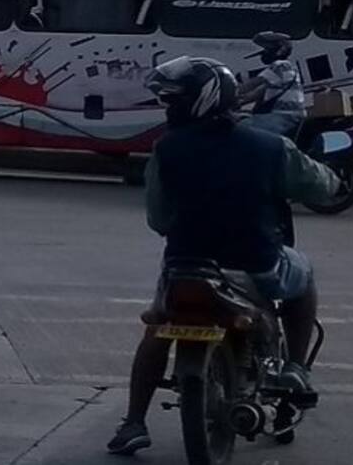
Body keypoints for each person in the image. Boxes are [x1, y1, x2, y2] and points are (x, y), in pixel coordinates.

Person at [106, 56, 339, 457]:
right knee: (305, 275)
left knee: (158, 327)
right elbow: (322, 187)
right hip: (259, 265)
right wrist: (332, 178)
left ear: (200, 101)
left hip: (185, 269)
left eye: (174, 102)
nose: (170, 109)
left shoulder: (166, 149)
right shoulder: (270, 147)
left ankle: (133, 423)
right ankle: (295, 369)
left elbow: (159, 219)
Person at [239, 31, 306, 139]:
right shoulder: (285, 71)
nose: (264, 53)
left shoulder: (281, 66)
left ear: (280, 50)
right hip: (288, 117)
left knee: (239, 129)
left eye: (267, 49)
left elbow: (253, 83)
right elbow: (256, 94)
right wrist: (239, 101)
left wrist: (228, 90)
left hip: (283, 116)